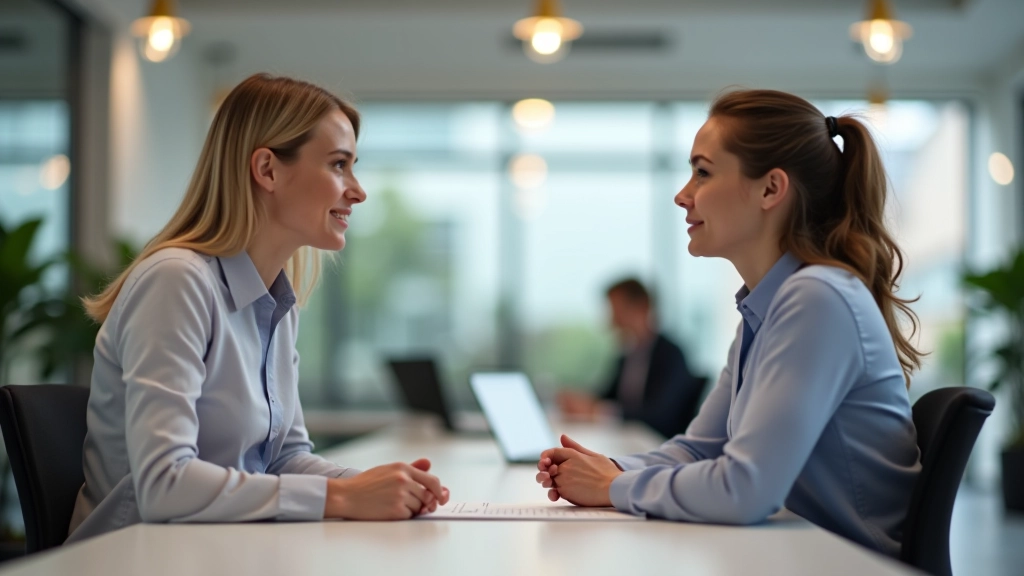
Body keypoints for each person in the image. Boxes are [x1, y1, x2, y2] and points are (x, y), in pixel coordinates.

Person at [535, 89, 923, 557]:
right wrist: (606, 466)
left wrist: (615, 486)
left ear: (770, 189)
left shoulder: (817, 298)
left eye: (702, 172)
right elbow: (698, 450)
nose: (683, 195)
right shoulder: (769, 308)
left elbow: (746, 488)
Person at [68, 74, 449, 543]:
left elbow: (284, 457)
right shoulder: (177, 281)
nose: (357, 190)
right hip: (130, 559)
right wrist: (342, 498)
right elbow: (163, 484)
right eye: (338, 165)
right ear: (267, 169)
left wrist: (374, 485)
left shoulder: (277, 303)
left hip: (218, 550)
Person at [557, 278, 704, 437]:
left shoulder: (671, 355)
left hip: (659, 445)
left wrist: (599, 411)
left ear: (642, 307)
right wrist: (584, 402)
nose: (612, 321)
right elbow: (608, 395)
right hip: (628, 439)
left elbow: (660, 415)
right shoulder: (627, 355)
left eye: (618, 311)